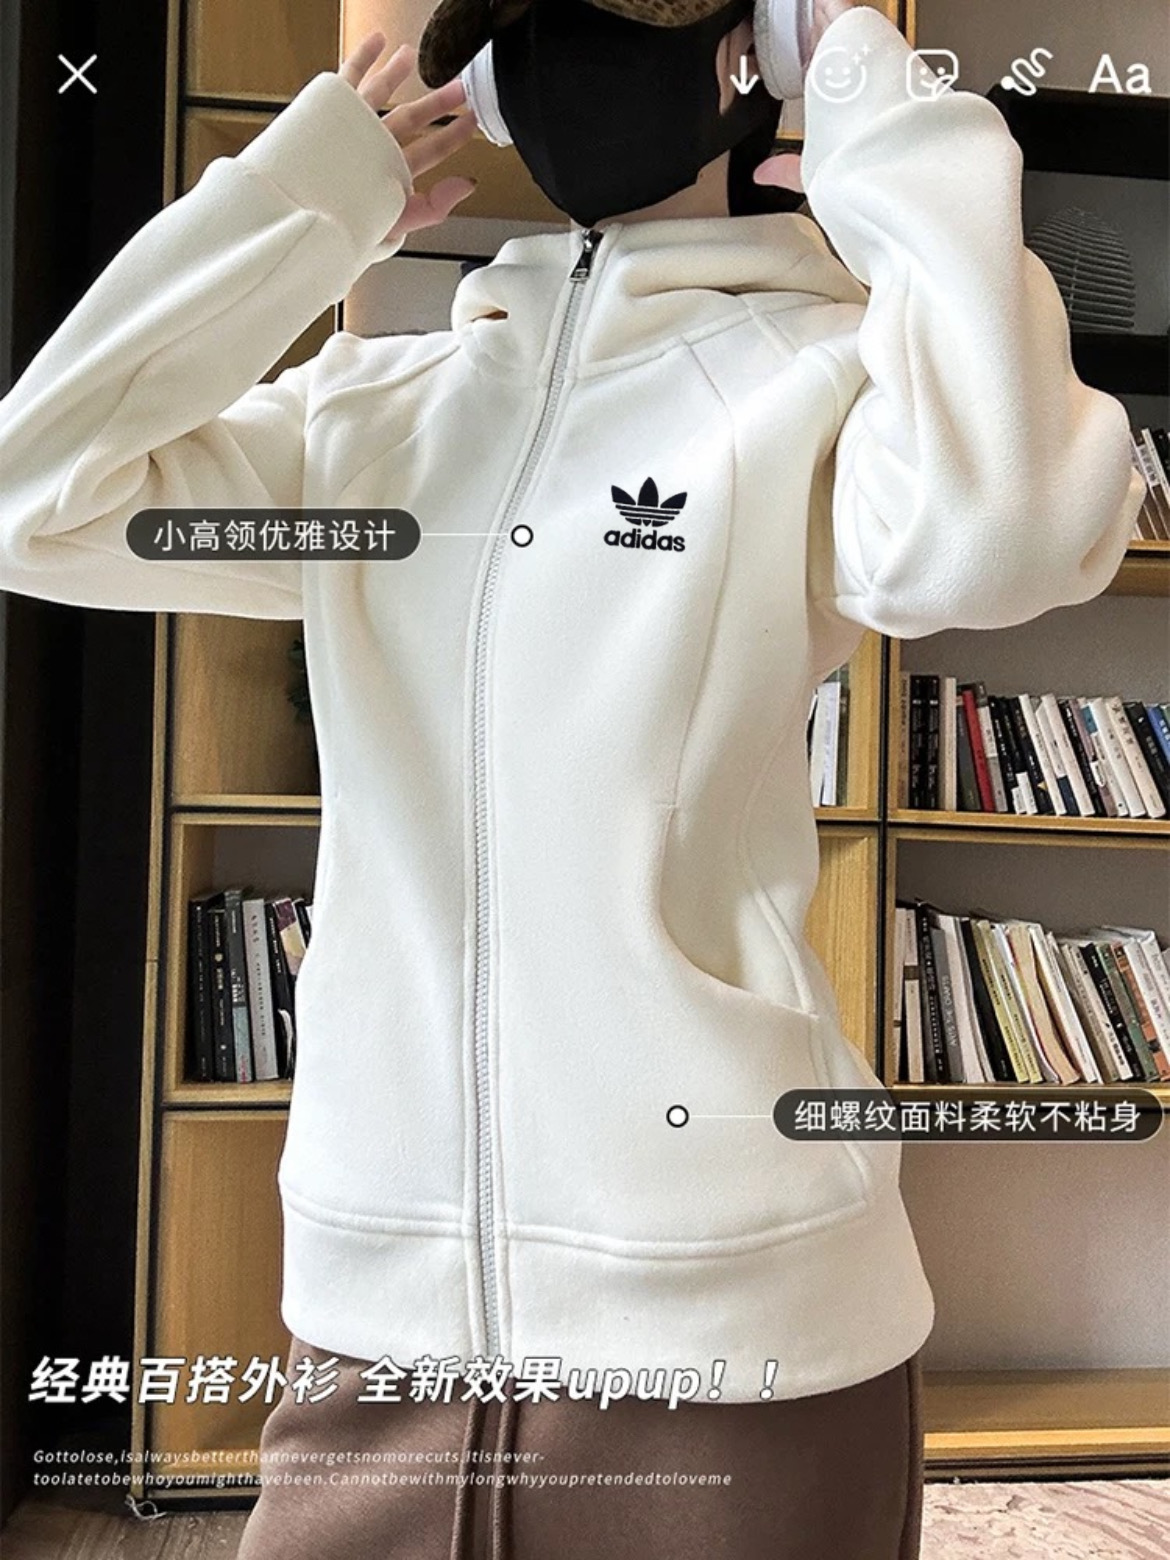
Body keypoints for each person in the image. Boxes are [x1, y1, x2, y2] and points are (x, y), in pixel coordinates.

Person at [0, 1, 1144, 1557]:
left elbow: (1006, 535)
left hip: (736, 1327)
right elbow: (38, 501)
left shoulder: (814, 385)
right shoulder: (372, 429)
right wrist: (302, 201)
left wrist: (887, 127)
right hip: (381, 1329)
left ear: (758, 54)